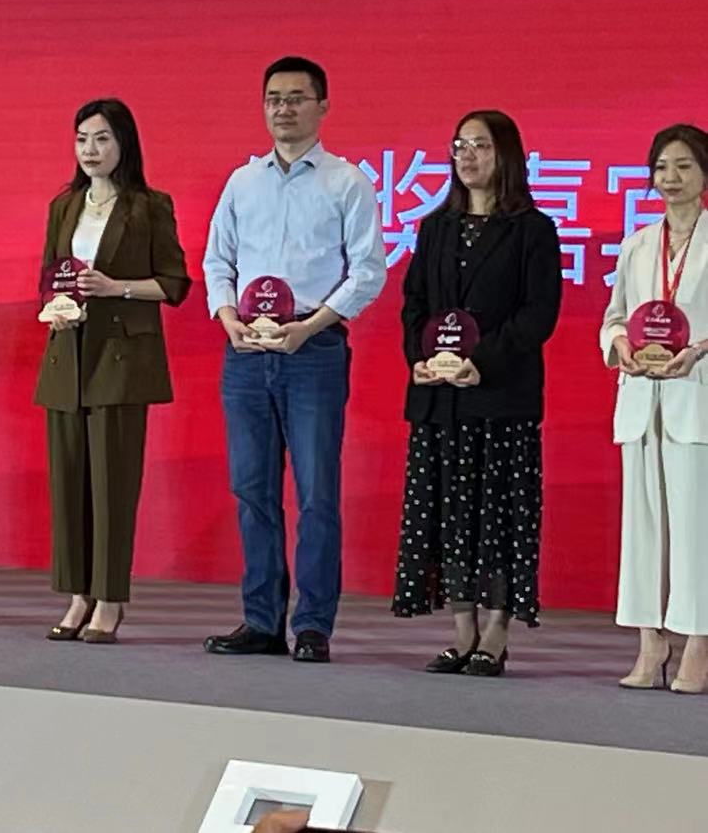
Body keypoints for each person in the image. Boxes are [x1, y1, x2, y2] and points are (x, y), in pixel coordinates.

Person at [202, 56, 386, 663]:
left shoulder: (346, 182)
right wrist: (228, 318)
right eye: (274, 99)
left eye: (296, 98)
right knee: (251, 490)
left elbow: (368, 271)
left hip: (314, 350)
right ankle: (261, 620)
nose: (284, 109)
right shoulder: (242, 182)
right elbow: (217, 260)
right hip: (246, 353)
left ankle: (312, 624)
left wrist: (309, 327)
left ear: (322, 107)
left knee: (315, 495)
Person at [392, 110, 561, 676]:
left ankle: (496, 632)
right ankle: (461, 631)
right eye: (459, 145)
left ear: (506, 155)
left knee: (500, 518)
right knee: (446, 515)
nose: (467, 156)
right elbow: (415, 304)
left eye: (481, 146)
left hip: (500, 398)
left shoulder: (532, 229)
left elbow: (538, 315)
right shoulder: (435, 227)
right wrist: (419, 359)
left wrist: (478, 362)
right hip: (440, 399)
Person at [35, 99, 191, 643]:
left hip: (121, 358)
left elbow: (173, 283)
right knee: (69, 483)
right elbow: (49, 277)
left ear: (124, 143)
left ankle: (109, 598)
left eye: (102, 139)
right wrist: (55, 308)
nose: (90, 150)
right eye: (82, 139)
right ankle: (77, 594)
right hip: (67, 355)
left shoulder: (149, 206)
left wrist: (115, 287)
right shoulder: (64, 205)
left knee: (112, 484)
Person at [601, 122, 708, 693]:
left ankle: (698, 643)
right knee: (642, 532)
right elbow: (614, 318)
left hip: (697, 400)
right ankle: (650, 641)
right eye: (662, 167)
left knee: (696, 530)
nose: (671, 177)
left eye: (684, 166)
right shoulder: (637, 244)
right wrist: (620, 345)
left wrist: (698, 350)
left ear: (704, 174)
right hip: (642, 402)